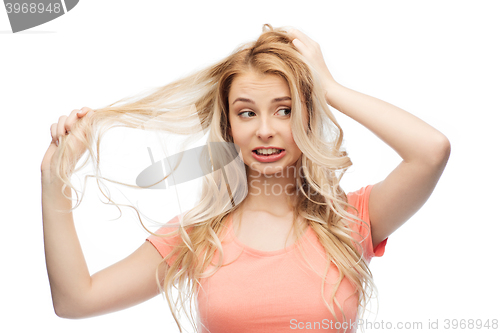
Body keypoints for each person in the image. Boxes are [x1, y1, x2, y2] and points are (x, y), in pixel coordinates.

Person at [40, 24, 450, 332]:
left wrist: (327, 86)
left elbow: (431, 151)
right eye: (247, 112)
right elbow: (76, 300)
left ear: (308, 116)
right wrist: (53, 179)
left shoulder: (352, 219)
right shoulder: (197, 235)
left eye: (285, 109)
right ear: (230, 126)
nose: (265, 129)